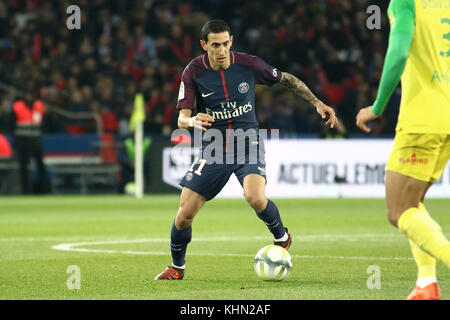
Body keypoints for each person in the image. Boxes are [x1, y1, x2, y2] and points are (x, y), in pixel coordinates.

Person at [155, 19, 338, 280]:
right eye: (215, 45)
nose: (221, 50)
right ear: (204, 45)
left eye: (225, 44)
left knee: (255, 197)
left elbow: (286, 80)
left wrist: (317, 102)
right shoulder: (193, 71)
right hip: (215, 149)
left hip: (247, 142)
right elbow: (181, 119)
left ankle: (282, 237)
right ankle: (177, 268)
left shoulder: (249, 65)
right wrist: (192, 120)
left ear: (232, 41)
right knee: (184, 216)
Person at [356, 0, 450, 300]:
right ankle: (426, 283)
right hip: (446, 118)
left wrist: (378, 106)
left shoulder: (405, 3)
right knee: (414, 203)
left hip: (422, 120)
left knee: (399, 210)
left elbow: (397, 53)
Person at [11, 93, 49, 194]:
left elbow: (43, 124)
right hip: (23, 142)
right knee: (24, 168)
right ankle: (25, 191)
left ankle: (45, 191)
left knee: (40, 167)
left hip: (35, 142)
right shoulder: (17, 107)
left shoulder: (38, 106)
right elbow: (12, 124)